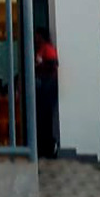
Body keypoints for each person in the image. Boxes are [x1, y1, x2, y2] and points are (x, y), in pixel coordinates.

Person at [34, 27, 59, 159]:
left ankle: (49, 147)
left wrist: (39, 67)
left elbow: (53, 64)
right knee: (40, 118)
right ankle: (43, 148)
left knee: (45, 118)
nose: (35, 38)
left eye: (37, 35)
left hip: (47, 87)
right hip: (42, 87)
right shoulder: (41, 49)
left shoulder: (47, 48)